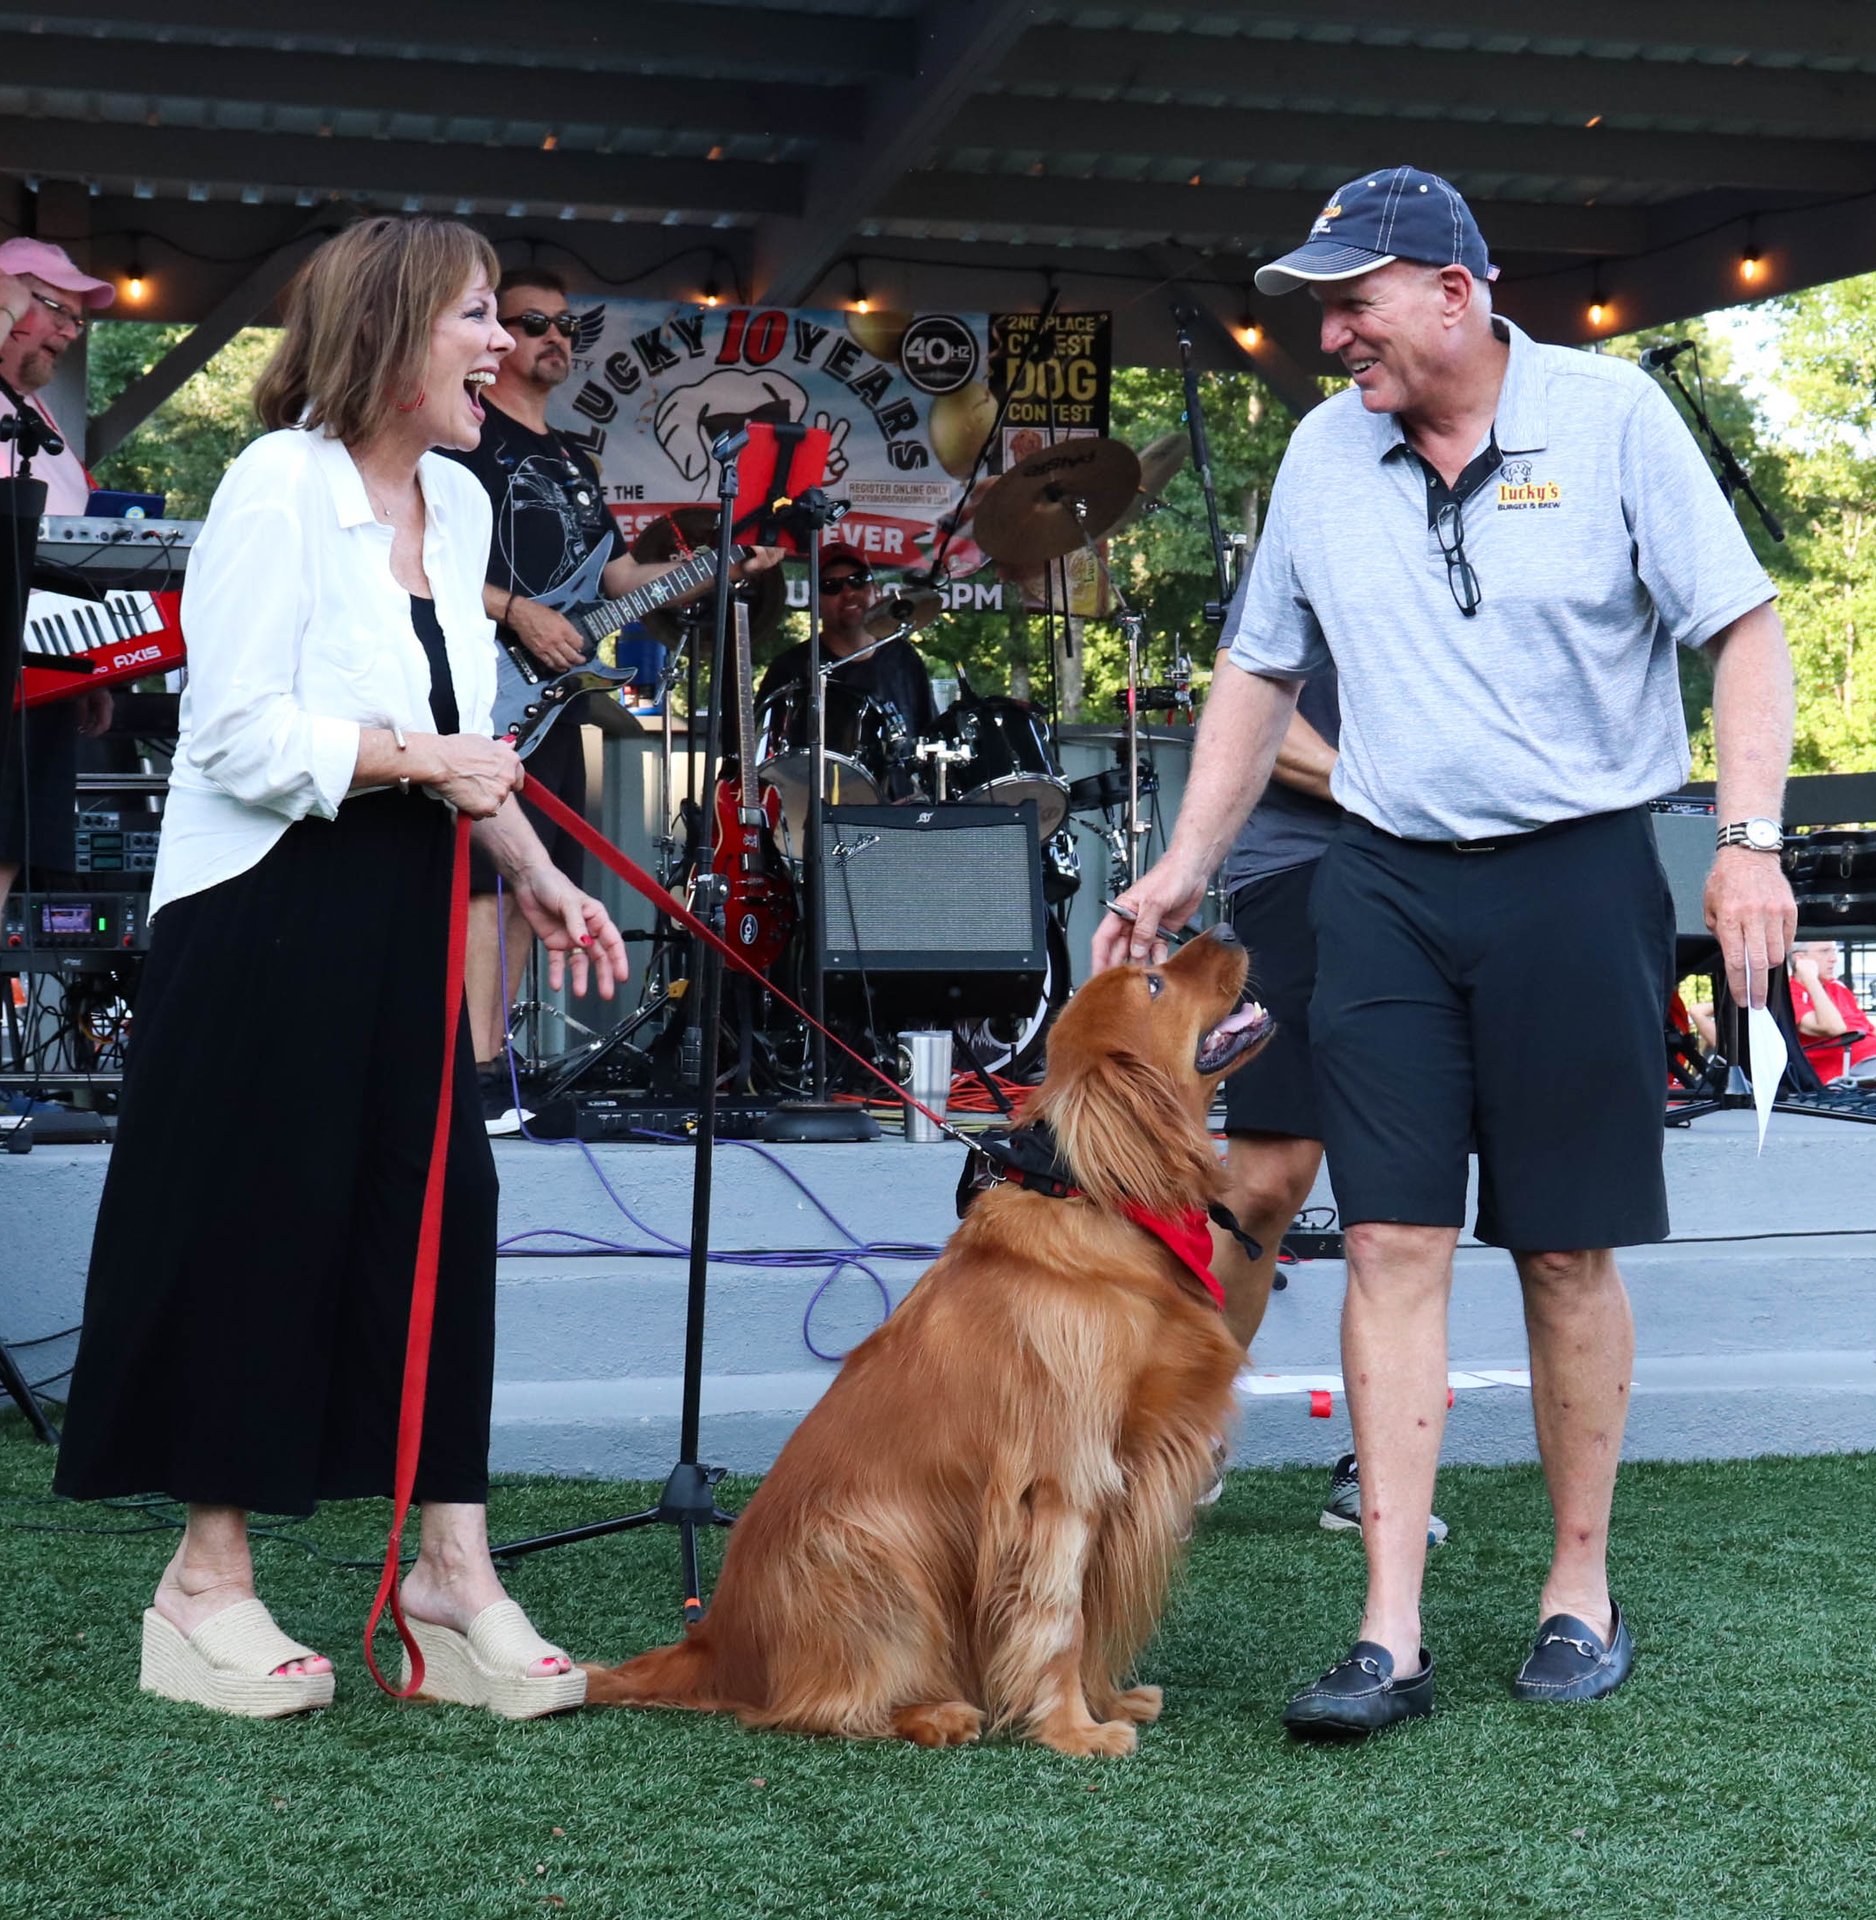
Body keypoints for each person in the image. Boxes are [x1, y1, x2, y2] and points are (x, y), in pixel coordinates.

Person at [1095, 166, 1795, 1737]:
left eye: (1355, 300)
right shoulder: (1323, 459)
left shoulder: (1611, 417)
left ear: (1457, 294)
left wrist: (1748, 845)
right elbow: (1256, 669)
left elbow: (1745, 629)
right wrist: (1182, 869)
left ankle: (1576, 1592)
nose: (1330, 331)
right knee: (1394, 1239)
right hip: (1386, 884)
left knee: (1560, 1246)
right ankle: (1388, 1631)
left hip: (1576, 879)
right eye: (1325, 306)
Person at [52, 216, 630, 1721]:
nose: (503, 346)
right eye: (478, 316)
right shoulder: (276, 485)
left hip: (401, 904)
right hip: (262, 911)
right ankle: (203, 1589)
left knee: (436, 1219)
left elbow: (466, 741)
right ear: (388, 329)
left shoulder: (459, 500)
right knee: (261, 1226)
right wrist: (419, 759)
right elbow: (235, 736)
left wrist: (546, 878)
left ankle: (450, 1571)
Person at [443, 267, 780, 1133]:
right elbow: (426, 560)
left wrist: (720, 564)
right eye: (533, 323)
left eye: (566, 327)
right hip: (484, 677)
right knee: (482, 883)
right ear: (497, 337)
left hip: (555, 698)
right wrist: (518, 612)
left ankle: (499, 1054)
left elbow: (619, 577)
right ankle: (471, 1064)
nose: (555, 339)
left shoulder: (573, 459)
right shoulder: (461, 436)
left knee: (531, 879)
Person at [1200, 644, 1449, 1544]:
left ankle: (1378, 1463)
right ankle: (1186, 1434)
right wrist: (1382, 790)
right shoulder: (1309, 530)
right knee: (1265, 1182)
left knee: (1398, 1200)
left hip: (1441, 873)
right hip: (1298, 869)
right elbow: (1259, 719)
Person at [0, 240, 117, 1090]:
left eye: (77, 317)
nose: (69, 331)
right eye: (55, 308)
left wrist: (93, 666)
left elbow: (67, 559)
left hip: (42, 673)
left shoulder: (39, 425)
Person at [755, 543, 938, 799]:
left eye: (858, 580)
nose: (849, 592)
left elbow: (927, 738)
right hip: (812, 813)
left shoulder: (905, 659)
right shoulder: (790, 667)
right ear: (815, 602)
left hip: (898, 814)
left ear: (875, 589)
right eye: (832, 586)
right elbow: (762, 759)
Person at [1786, 940, 1876, 1082]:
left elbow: (1869, 1029)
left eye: (1834, 951)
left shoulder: (1838, 988)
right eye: (1824, 951)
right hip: (1848, 1071)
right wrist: (1810, 980)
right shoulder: (1790, 994)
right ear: (1800, 959)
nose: (1834, 959)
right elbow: (1833, 1028)